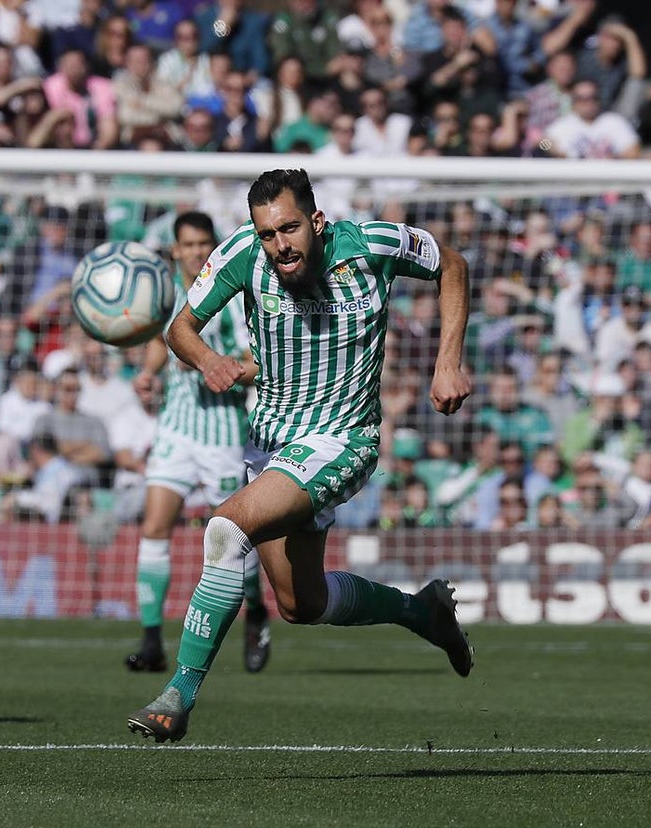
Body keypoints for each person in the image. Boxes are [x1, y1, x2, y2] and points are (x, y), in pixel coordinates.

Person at [127, 168, 474, 743]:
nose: (279, 245)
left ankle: (178, 694)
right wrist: (210, 360)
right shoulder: (242, 253)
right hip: (271, 444)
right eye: (267, 233)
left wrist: (447, 359)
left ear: (316, 221)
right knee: (300, 603)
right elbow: (181, 329)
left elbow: (451, 264)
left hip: (344, 439)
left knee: (225, 526)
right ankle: (423, 612)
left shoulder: (372, 246)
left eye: (289, 229)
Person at [126, 210, 272, 676]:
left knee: (234, 538)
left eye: (202, 244)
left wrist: (212, 364)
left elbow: (255, 356)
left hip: (225, 432)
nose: (195, 252)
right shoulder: (167, 290)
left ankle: (257, 616)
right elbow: (158, 341)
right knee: (154, 526)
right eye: (187, 245)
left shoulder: (231, 291)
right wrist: (149, 375)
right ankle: (151, 642)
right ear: (175, 250)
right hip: (176, 425)